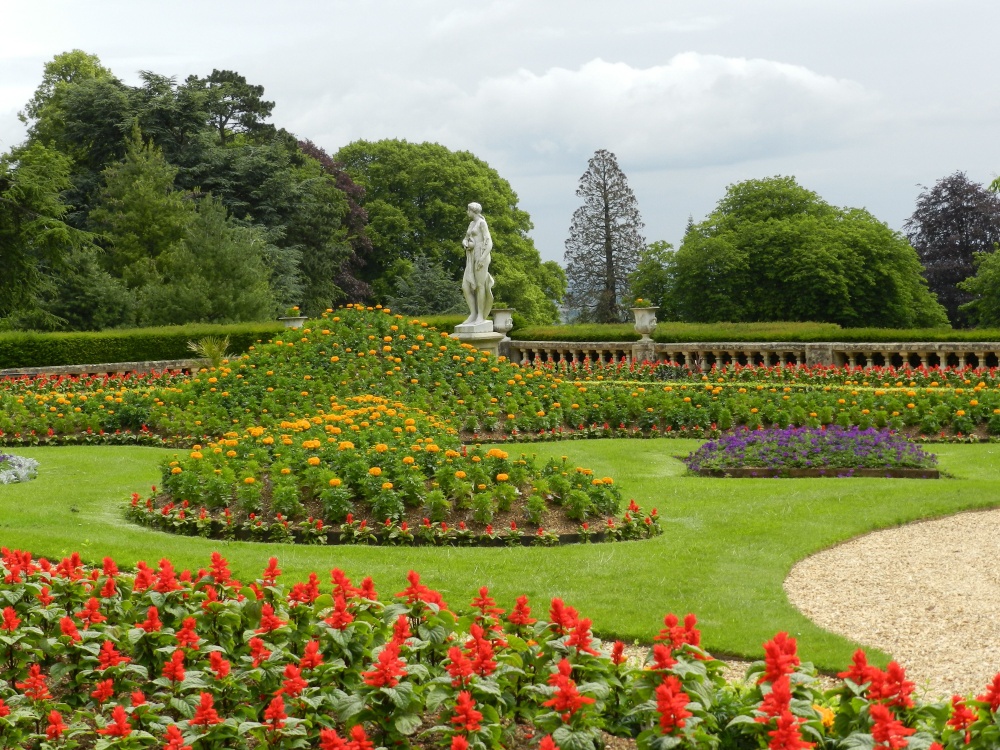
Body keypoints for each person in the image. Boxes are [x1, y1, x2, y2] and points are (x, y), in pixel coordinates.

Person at [460, 202, 494, 325]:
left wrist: (482, 258)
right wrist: (465, 243)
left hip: (481, 254)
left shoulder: (482, 223)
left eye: (468, 210)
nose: (467, 212)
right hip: (471, 256)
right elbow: (465, 238)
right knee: (465, 286)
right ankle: (473, 313)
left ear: (473, 211)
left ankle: (480, 315)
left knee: (480, 285)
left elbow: (489, 242)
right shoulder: (471, 224)